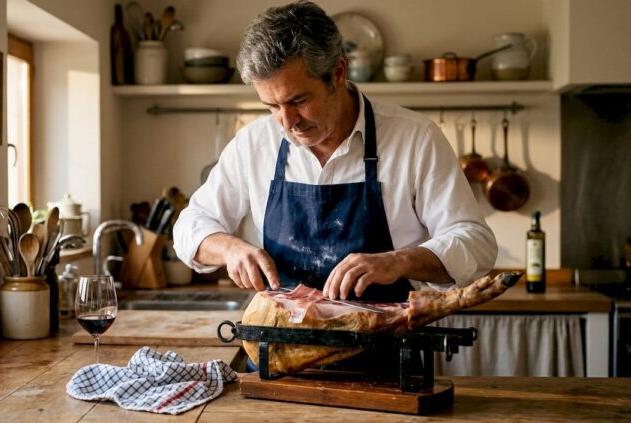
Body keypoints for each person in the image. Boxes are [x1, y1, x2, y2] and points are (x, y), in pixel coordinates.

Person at [173, 0, 497, 303]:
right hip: (284, 351)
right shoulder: (254, 143)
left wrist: (400, 260)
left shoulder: (415, 138)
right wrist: (229, 249)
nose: (287, 122)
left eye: (298, 101)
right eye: (272, 106)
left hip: (388, 351)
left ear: (338, 74)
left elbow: (476, 244)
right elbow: (190, 225)